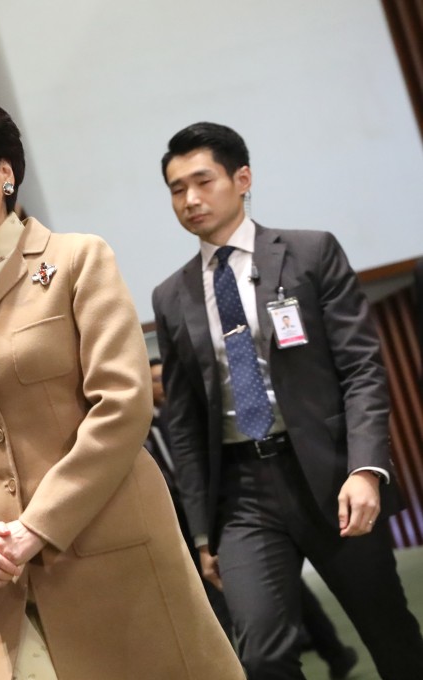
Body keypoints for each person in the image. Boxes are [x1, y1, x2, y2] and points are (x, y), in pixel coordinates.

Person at [0, 84, 242, 679]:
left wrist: (38, 526)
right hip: (6, 576)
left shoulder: (80, 260)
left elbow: (124, 406)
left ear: (5, 172)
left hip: (113, 551)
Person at [152, 121, 423, 679]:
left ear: (242, 178)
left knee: (390, 634)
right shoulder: (172, 295)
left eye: (202, 181)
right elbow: (182, 421)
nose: (190, 199)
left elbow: (361, 368)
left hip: (330, 480)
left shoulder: (308, 253)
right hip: (242, 494)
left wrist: (366, 469)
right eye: (177, 189)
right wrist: (204, 531)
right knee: (261, 655)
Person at [149, 360, 358, 679]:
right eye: (154, 380)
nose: (161, 384)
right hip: (181, 527)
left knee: (286, 591)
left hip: (228, 516)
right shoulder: (145, 428)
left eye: (164, 377)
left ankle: (333, 651)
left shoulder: (196, 415)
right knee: (220, 606)